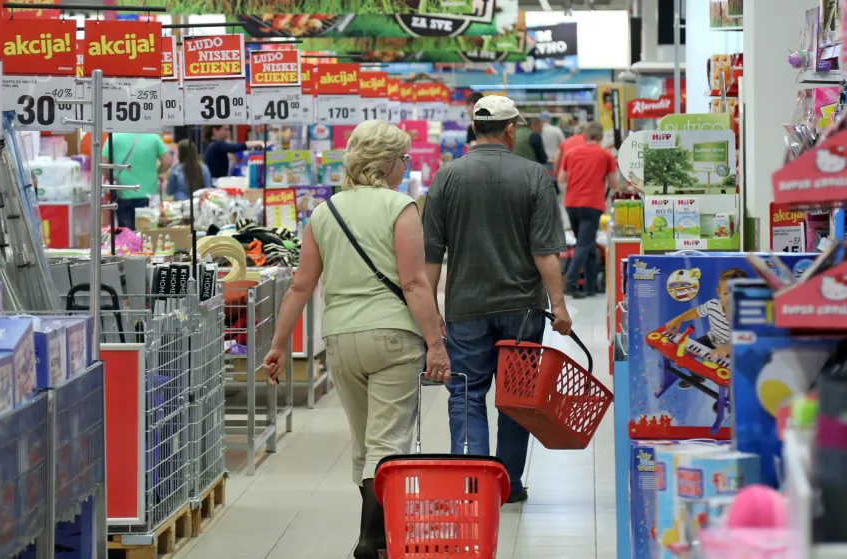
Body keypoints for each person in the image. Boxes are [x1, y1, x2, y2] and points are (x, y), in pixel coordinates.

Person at [262, 121, 449, 559]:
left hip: (341, 338)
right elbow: (414, 283)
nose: (406, 167)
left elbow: (300, 286)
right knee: (387, 444)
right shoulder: (401, 207)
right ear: (386, 164)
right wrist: (436, 344)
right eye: (403, 159)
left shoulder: (325, 212)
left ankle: (377, 533)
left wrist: (277, 344)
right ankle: (371, 541)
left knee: (365, 443)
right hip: (393, 338)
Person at [423, 95, 571, 504]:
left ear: (474, 129)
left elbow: (430, 256)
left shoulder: (445, 178)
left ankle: (471, 480)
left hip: (466, 308)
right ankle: (508, 483)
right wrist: (558, 306)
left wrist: (430, 314)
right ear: (510, 130)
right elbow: (545, 253)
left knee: (466, 393)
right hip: (523, 309)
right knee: (516, 397)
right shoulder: (534, 176)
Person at [558, 121, 622, 298]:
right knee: (584, 245)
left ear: (585, 136)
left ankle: (591, 285)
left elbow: (562, 179)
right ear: (601, 137)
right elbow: (614, 184)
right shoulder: (606, 156)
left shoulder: (570, 153)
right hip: (592, 204)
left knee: (588, 246)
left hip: (571, 204)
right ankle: (569, 284)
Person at [664, 268, 748, 360]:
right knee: (685, 352)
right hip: (710, 340)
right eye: (726, 293)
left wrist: (729, 348)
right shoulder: (713, 305)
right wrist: (679, 319)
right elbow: (696, 312)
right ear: (719, 292)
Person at [101, 133, 171, 230]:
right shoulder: (153, 137)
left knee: (127, 235)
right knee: (149, 233)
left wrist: (112, 176)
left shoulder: (114, 137)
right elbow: (167, 161)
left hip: (122, 194)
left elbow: (103, 165)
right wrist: (157, 172)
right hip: (149, 195)